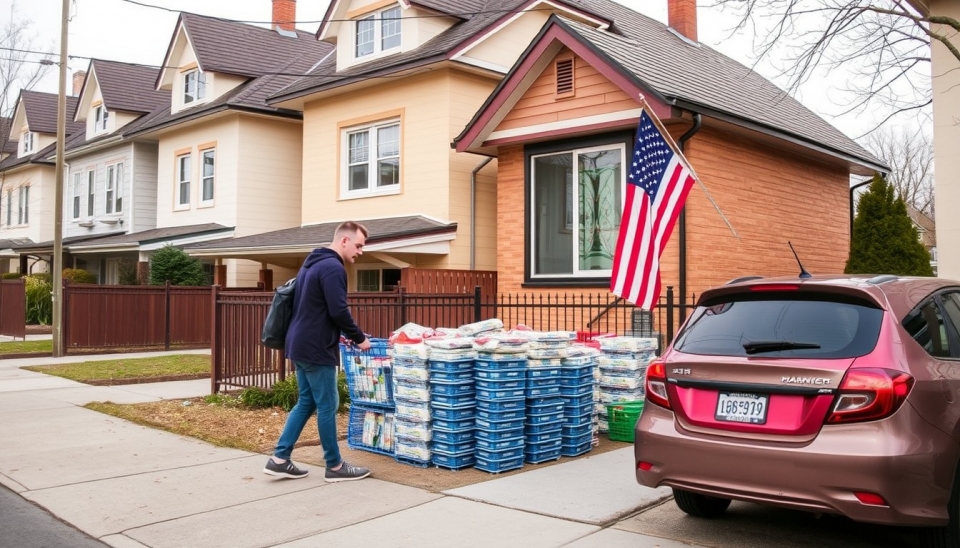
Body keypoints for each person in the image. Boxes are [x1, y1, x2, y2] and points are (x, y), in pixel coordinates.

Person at [263, 221, 372, 482]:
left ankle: (279, 459)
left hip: (299, 343)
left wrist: (341, 335)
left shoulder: (312, 263)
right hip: (315, 347)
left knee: (307, 401)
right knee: (328, 404)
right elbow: (338, 310)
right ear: (344, 241)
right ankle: (334, 466)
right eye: (358, 245)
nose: (360, 252)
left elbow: (316, 310)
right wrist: (358, 338)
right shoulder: (333, 267)